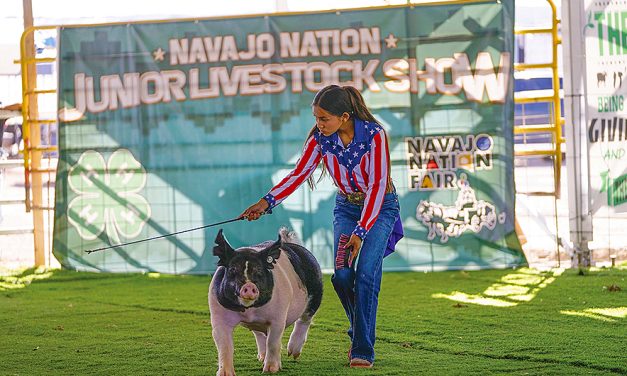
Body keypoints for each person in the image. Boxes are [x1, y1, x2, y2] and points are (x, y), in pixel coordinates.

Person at [241, 84, 403, 368]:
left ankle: (362, 347)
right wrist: (265, 202)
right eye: (316, 118)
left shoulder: (375, 135)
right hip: (346, 208)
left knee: (365, 274)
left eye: (324, 118)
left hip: (380, 209)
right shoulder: (320, 139)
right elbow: (299, 173)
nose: (319, 124)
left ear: (344, 116)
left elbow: (377, 187)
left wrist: (361, 232)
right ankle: (360, 326)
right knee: (341, 276)